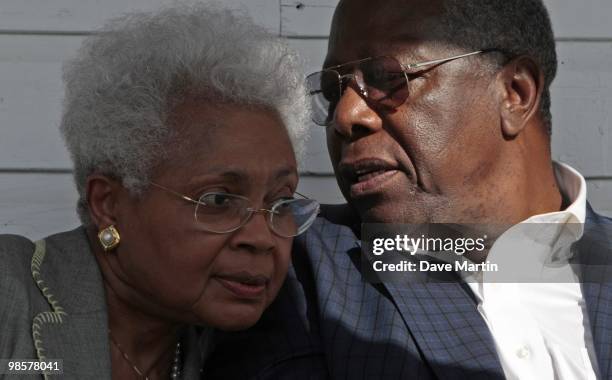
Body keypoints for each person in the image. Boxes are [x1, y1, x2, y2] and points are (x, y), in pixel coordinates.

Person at [205, 0, 612, 379]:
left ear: (515, 93)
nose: (346, 117)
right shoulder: (295, 267)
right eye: (333, 92)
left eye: (386, 80)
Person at [0, 4, 320, 379]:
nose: (262, 238)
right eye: (219, 200)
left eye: (280, 202)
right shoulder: (10, 299)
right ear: (108, 204)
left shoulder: (249, 352)